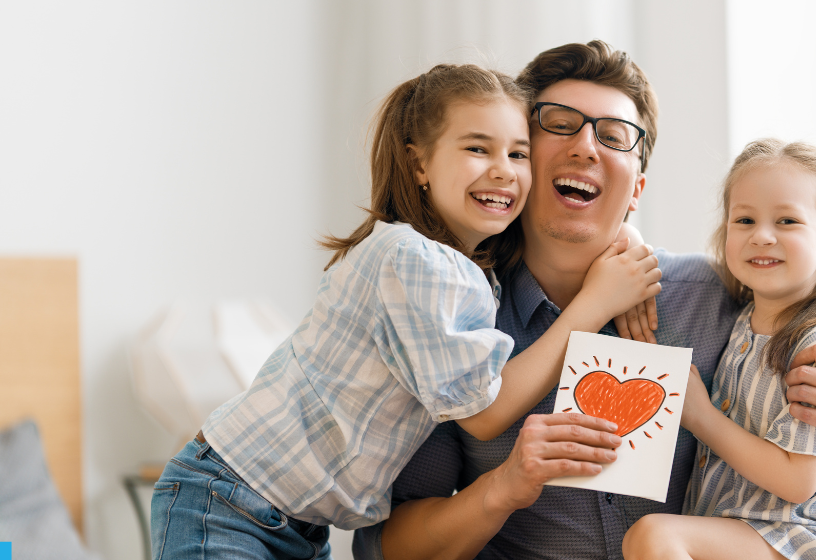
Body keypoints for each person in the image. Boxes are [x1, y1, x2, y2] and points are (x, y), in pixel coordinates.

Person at [353, 41, 816, 560]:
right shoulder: (452, 320)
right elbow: (386, 546)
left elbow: (788, 511)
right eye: (559, 123)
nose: (585, 147)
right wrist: (504, 486)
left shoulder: (719, 299)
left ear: (637, 190)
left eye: (614, 135)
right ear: (520, 161)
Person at [148, 63, 663, 559]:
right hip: (230, 499)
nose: (503, 171)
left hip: (296, 522)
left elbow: (573, 220)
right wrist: (596, 303)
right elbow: (484, 411)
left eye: (518, 154)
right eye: (477, 149)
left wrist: (621, 234)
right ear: (419, 164)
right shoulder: (413, 261)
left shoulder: (469, 270)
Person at [621, 139, 816, 560]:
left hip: (792, 540)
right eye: (744, 220)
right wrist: (629, 234)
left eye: (787, 221)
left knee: (654, 536)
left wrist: (700, 416)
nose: (761, 236)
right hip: (735, 533)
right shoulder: (742, 318)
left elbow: (800, 483)